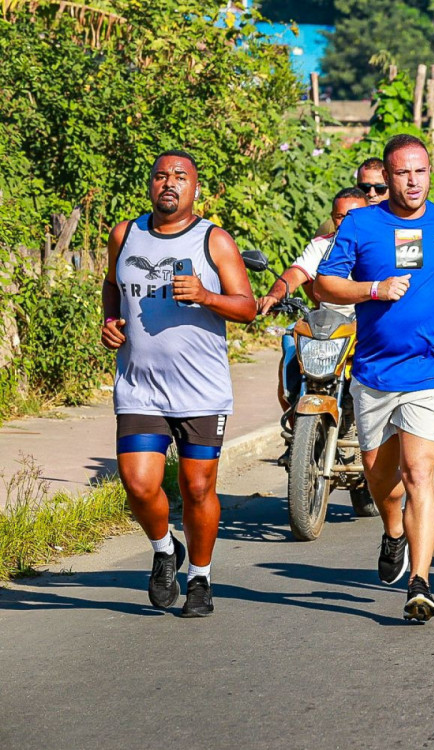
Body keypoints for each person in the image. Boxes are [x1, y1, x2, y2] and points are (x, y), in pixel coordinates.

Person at [314, 134, 434, 622]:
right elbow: (325, 283)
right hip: (374, 371)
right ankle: (393, 532)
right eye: (403, 172)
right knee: (379, 477)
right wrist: (374, 289)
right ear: (387, 177)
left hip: (432, 368)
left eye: (420, 171)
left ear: (430, 172)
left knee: (419, 475)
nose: (413, 181)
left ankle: (420, 582)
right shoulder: (361, 223)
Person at [101, 150, 256, 617]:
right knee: (137, 483)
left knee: (197, 488)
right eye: (161, 176)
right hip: (139, 387)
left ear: (195, 188)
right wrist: (109, 320)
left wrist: (206, 296)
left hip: (200, 390)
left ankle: (201, 579)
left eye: (180, 176)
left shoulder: (214, 240)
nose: (169, 182)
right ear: (150, 184)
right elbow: (111, 284)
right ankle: (165, 548)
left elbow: (247, 307)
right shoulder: (125, 235)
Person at [257, 188, 368, 487]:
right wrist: (275, 294)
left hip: (367, 329)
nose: (346, 223)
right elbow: (296, 273)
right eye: (340, 217)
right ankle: (298, 436)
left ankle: (364, 432)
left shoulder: (378, 246)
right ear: (332, 218)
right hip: (328, 328)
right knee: (291, 353)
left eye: (354, 216)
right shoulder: (322, 245)